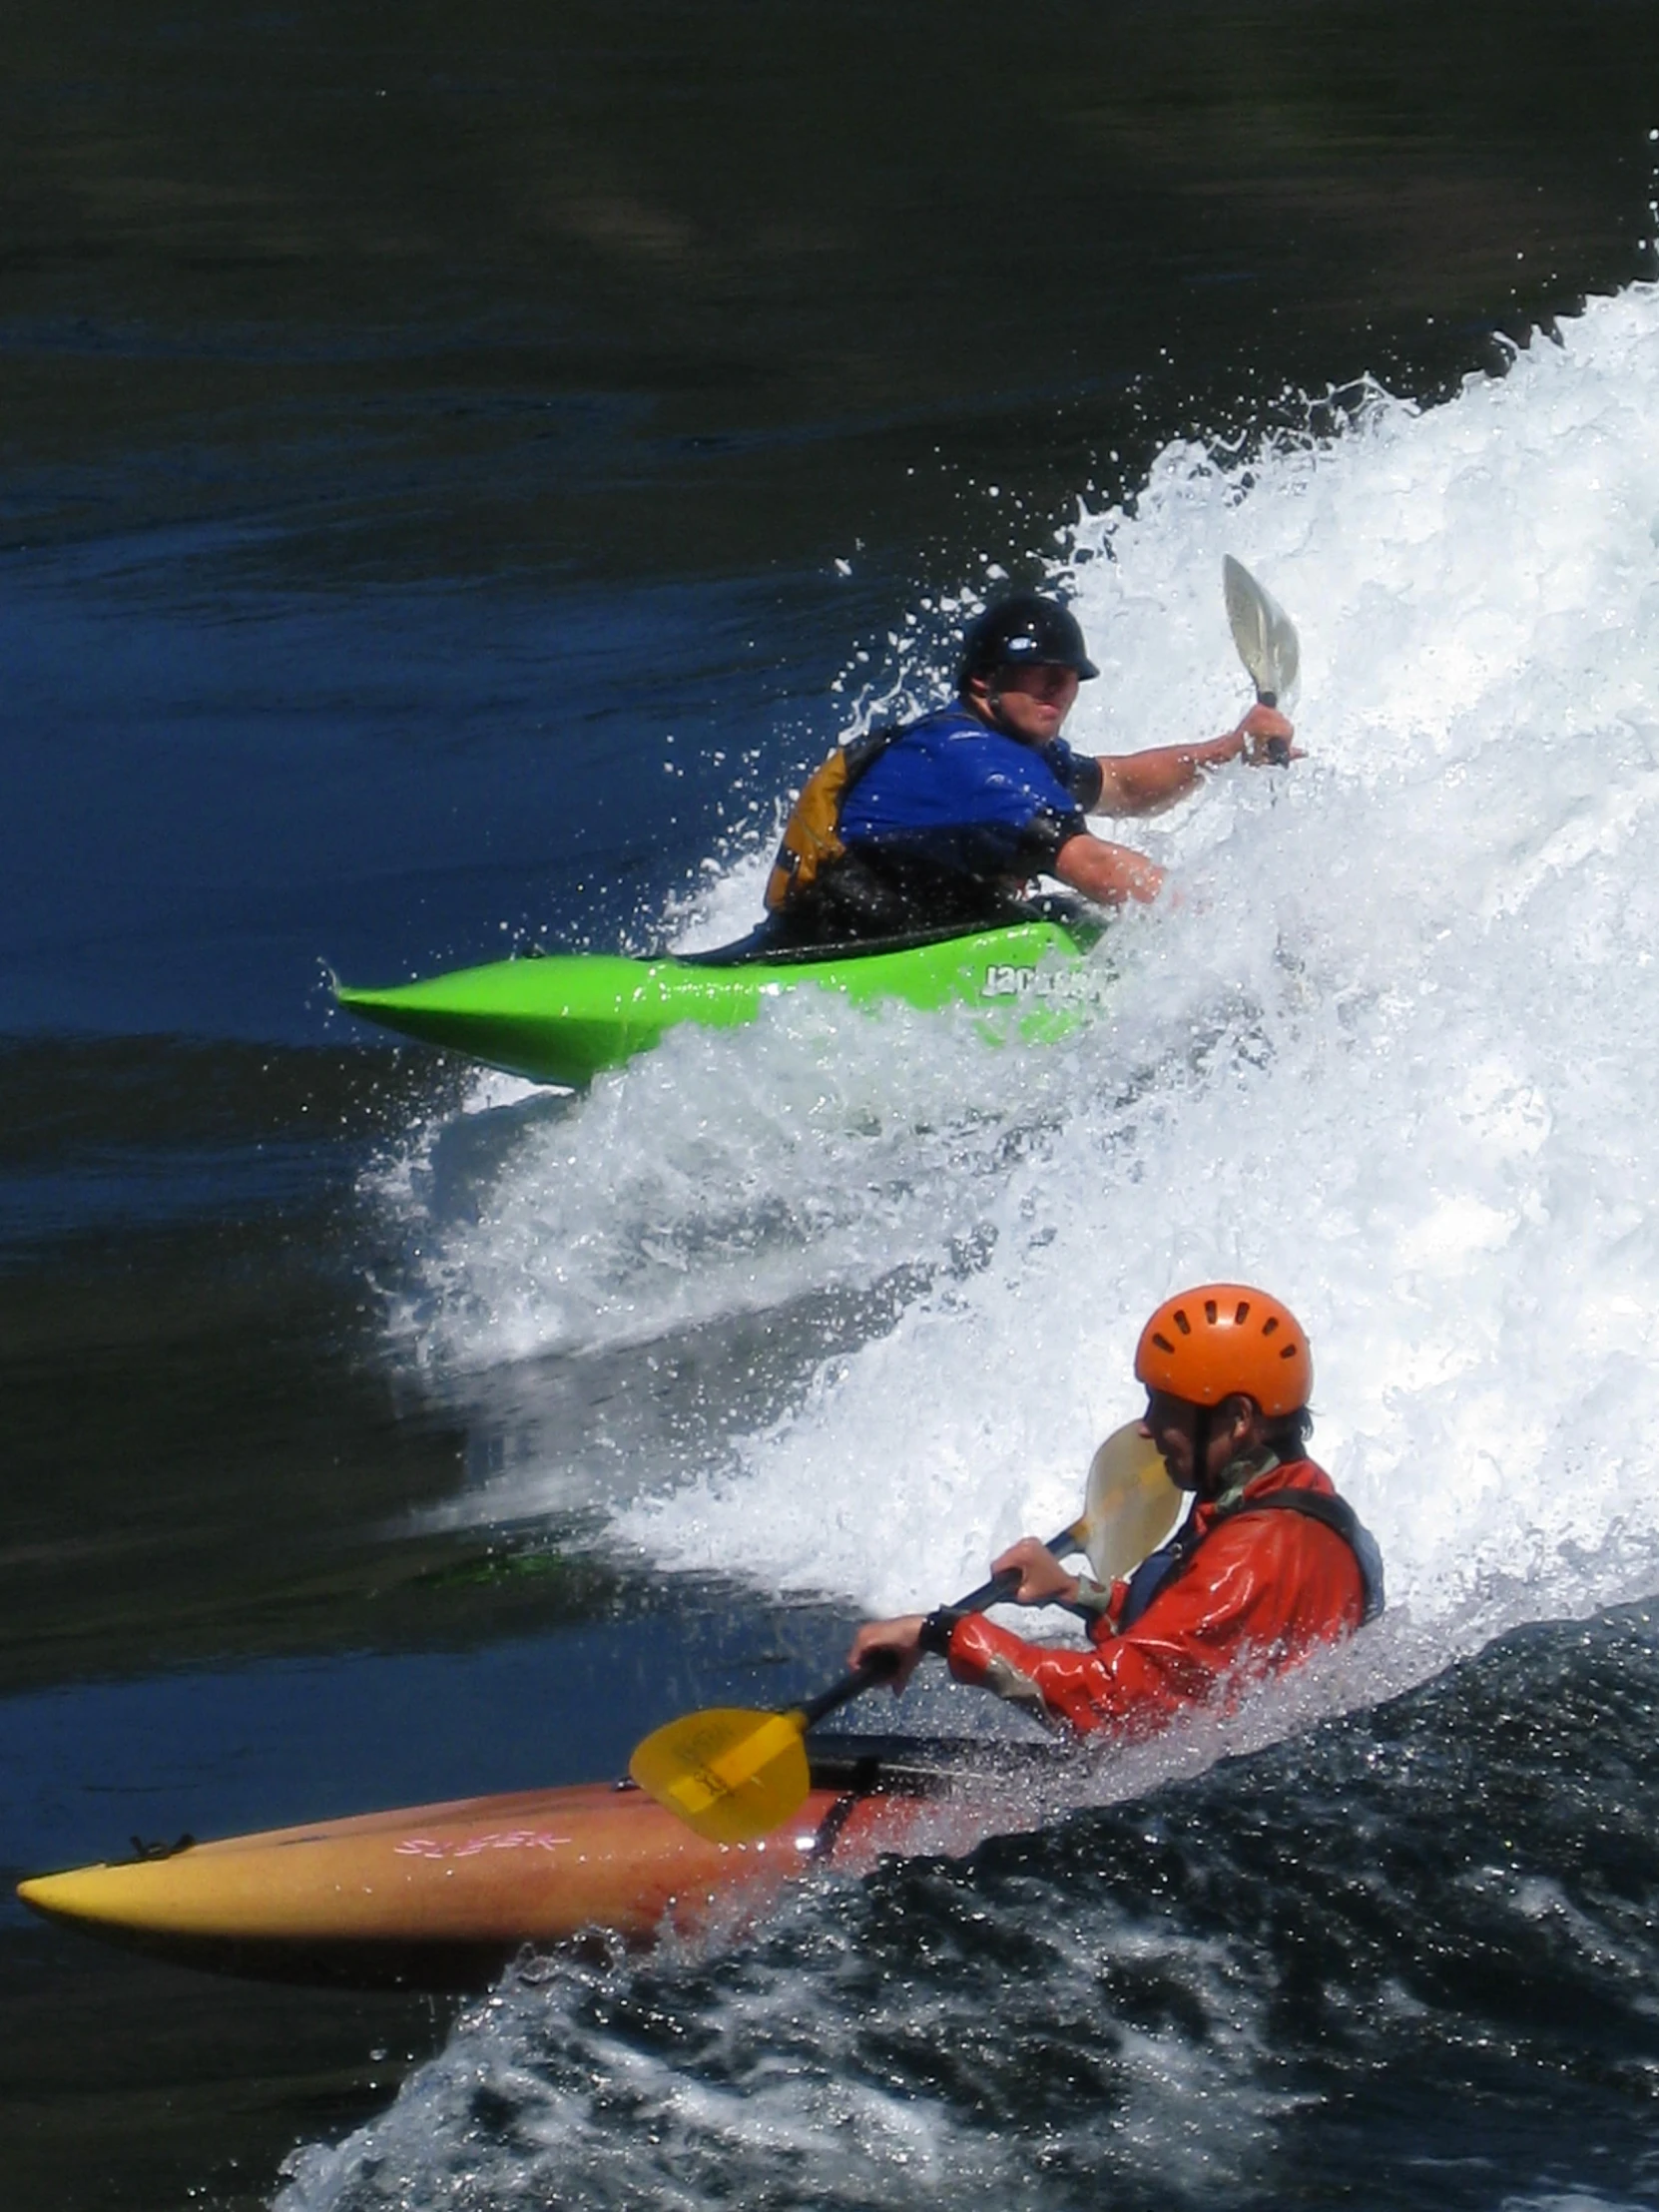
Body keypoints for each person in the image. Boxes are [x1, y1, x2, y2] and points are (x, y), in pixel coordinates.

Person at [847, 1283, 1383, 1739]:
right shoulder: (1294, 1495)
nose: (1146, 1427)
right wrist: (1073, 1592)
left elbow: (1110, 1704)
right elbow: (1196, 1642)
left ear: (1238, 1420)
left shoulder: (1254, 1557)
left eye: (1166, 1407)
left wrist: (940, 1634)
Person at [763, 593, 1297, 944]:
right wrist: (1237, 929)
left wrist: (1229, 750)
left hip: (901, 939)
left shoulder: (1012, 750)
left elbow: (1125, 787)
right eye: (1039, 676)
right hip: (826, 960)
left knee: (1069, 925)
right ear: (982, 683)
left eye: (1066, 679)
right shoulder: (970, 763)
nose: (1058, 692)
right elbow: (1098, 869)